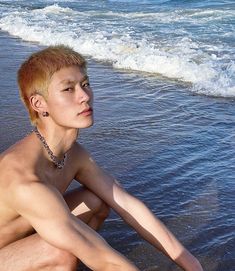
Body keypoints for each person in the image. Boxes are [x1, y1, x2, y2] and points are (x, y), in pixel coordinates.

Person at [0, 45, 203, 271]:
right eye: (68, 89)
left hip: (21, 242)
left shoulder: (72, 154)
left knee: (95, 201)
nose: (85, 96)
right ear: (39, 104)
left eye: (85, 84)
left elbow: (127, 204)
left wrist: (192, 265)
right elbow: (105, 259)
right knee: (60, 252)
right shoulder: (23, 179)